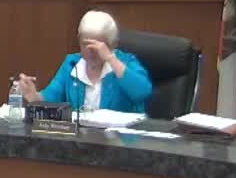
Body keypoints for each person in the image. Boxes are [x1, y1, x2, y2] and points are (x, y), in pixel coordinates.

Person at [15, 10, 152, 113]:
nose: (90, 51)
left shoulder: (126, 63)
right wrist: (34, 96)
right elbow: (51, 97)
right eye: (85, 44)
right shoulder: (72, 64)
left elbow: (142, 93)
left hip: (120, 139)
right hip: (81, 138)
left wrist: (110, 59)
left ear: (112, 44)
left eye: (97, 45)